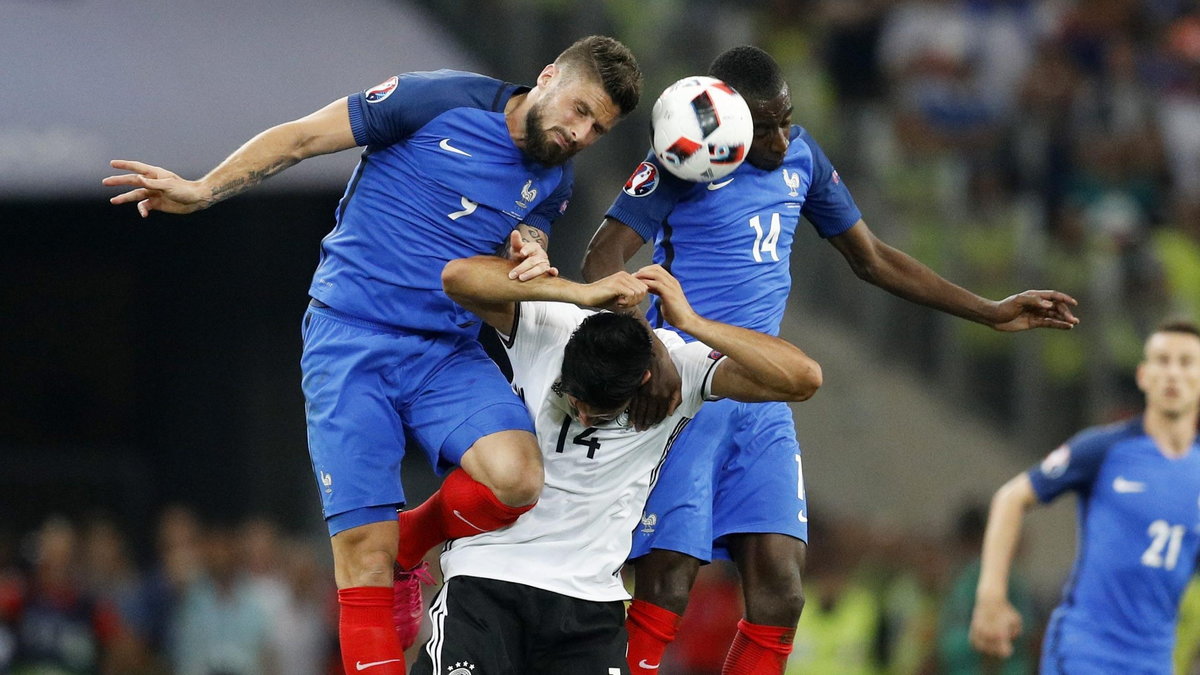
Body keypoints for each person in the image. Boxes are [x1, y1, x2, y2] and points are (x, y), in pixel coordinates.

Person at [103, 36, 642, 674]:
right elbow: (303, 137)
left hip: (444, 351)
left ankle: (409, 543)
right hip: (351, 339)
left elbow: (525, 232)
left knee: (519, 478)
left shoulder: (555, 175)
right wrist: (204, 189)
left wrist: (527, 248)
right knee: (361, 559)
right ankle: (389, 556)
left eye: (597, 128)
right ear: (549, 77)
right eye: (579, 110)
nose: (580, 133)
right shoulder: (438, 99)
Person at [581, 44, 1079, 674]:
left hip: (761, 397)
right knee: (669, 581)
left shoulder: (802, 157)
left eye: (787, 118)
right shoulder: (682, 159)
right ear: (727, 118)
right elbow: (600, 262)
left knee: (782, 594)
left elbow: (872, 258)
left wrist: (990, 309)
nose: (781, 136)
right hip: (685, 393)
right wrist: (649, 350)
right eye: (767, 126)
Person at [406, 244, 819, 674]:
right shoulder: (553, 325)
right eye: (575, 400)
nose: (583, 416)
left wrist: (692, 322)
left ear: (644, 380)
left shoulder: (682, 370)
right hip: (488, 580)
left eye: (601, 411)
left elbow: (803, 378)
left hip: (590, 606)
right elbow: (457, 277)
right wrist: (574, 292)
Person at [970, 320, 1200, 673]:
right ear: (1143, 375)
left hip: (1154, 661)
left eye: (1186, 362)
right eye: (1162, 361)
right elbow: (1010, 498)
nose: (1172, 373)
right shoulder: (1104, 449)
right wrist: (990, 597)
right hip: (1086, 651)